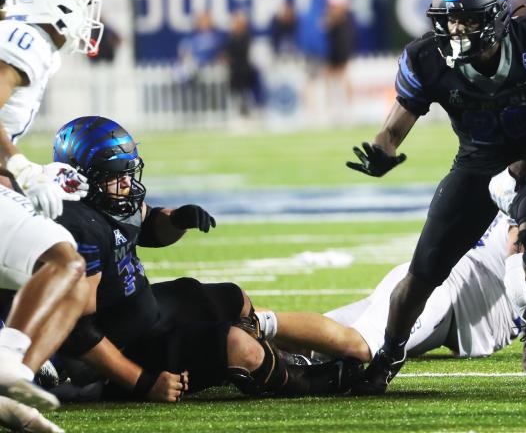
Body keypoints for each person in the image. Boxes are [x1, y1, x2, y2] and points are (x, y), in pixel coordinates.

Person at [346, 0, 526, 392]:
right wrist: (382, 151)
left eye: (468, 17)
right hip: (477, 162)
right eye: (449, 18)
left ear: (500, 17)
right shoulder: (425, 57)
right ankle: (389, 356)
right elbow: (394, 126)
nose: (456, 28)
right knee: (423, 271)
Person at [42, 116, 356, 403]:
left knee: (233, 298)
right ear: (82, 180)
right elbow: (78, 333)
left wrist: (177, 220)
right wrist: (142, 382)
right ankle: (305, 381)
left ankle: (276, 359)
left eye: (127, 173)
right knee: (238, 346)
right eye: (115, 177)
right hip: (112, 358)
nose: (127, 184)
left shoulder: (107, 203)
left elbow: (148, 226)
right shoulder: (77, 229)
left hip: (140, 315)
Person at [247, 162, 526, 365]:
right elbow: (524, 265)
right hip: (440, 293)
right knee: (358, 347)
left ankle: (237, 323)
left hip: (452, 324)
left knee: (322, 346)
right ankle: (246, 318)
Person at [0, 0, 104, 428]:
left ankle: (14, 378)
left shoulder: (23, 39)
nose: (86, 14)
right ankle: (8, 362)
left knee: (73, 285)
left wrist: (29, 171)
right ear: (57, 0)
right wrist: (22, 168)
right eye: (81, 2)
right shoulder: (26, 39)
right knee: (64, 260)